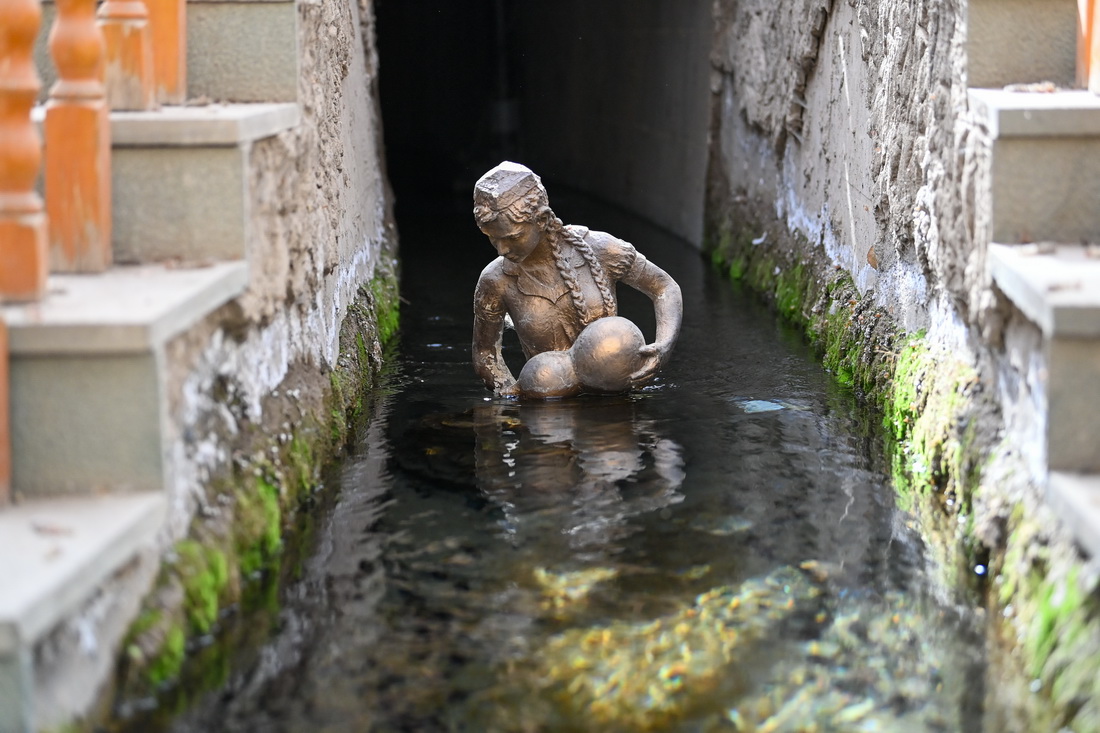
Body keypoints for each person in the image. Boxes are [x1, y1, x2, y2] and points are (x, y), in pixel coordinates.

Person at [471, 161, 682, 396]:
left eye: (513, 237)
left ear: (541, 220)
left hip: (617, 397)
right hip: (550, 404)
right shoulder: (495, 280)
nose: (501, 249)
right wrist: (511, 394)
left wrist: (664, 346)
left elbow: (663, 287)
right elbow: (485, 354)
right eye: (492, 238)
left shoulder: (600, 249)